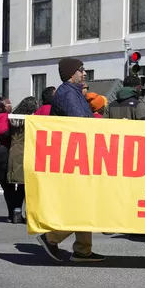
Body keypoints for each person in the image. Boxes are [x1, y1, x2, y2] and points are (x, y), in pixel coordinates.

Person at [37, 57, 105, 263]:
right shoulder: (68, 94)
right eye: (81, 70)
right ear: (71, 74)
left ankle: (83, 250)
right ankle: (51, 237)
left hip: (78, 154)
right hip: (74, 156)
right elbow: (81, 124)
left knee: (85, 203)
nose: (84, 74)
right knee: (83, 204)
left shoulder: (72, 93)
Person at [7, 96, 40, 224]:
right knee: (28, 186)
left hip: (14, 149)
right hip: (27, 150)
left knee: (18, 186)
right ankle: (29, 214)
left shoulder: (13, 118)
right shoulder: (31, 120)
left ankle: (15, 213)